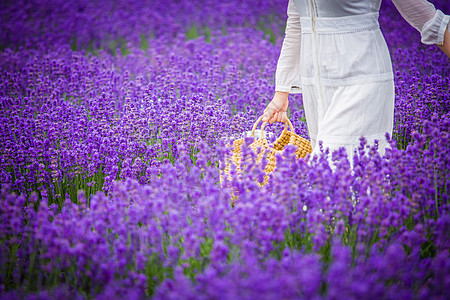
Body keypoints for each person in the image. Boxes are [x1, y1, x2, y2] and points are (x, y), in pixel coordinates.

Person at [262, 0, 450, 162]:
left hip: (361, 77)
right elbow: (296, 24)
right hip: (315, 85)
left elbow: (425, 16)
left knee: (330, 171)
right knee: (342, 185)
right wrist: (282, 92)